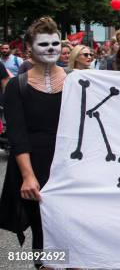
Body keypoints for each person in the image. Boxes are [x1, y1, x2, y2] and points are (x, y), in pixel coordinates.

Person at [0, 17, 66, 268]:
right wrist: (28, 176)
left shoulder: (77, 81)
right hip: (33, 166)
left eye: (55, 43)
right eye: (44, 44)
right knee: (43, 229)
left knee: (72, 224)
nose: (51, 48)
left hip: (69, 165)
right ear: (29, 48)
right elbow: (17, 134)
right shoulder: (17, 86)